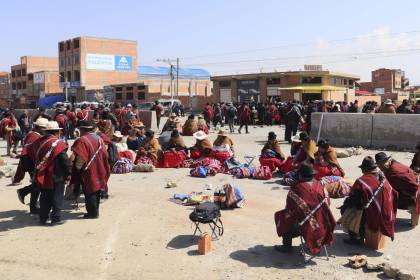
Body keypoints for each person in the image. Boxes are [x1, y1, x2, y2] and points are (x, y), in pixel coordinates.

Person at [274, 163, 336, 254]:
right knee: (305, 216)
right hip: (324, 223)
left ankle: (287, 246)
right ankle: (314, 242)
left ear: (300, 175)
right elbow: (328, 204)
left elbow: (290, 209)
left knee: (283, 217)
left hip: (305, 226)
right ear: (313, 175)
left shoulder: (296, 188)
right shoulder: (321, 186)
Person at [339, 156, 398, 245]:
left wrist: (345, 204)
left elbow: (354, 201)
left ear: (365, 169)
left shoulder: (362, 181)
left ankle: (356, 237)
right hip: (387, 213)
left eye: (362, 169)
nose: (362, 171)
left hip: (374, 215)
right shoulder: (383, 178)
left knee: (346, 210)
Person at [32, 121, 72, 225]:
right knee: (57, 197)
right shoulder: (58, 144)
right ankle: (55, 219)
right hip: (56, 175)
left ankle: (43, 218)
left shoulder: (38, 142)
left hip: (42, 174)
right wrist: (69, 173)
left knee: (45, 197)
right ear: (56, 132)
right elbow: (64, 160)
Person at [71, 121, 110, 219]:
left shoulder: (82, 140)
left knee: (89, 191)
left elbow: (81, 157)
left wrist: (78, 168)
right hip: (100, 167)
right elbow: (105, 154)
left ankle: (92, 213)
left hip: (89, 169)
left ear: (82, 130)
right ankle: (95, 210)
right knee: (97, 190)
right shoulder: (100, 139)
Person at [14, 118, 49, 214]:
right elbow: (28, 152)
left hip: (34, 163)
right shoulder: (34, 136)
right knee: (38, 185)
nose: (46, 131)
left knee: (38, 184)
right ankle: (32, 206)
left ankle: (25, 193)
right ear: (38, 128)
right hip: (32, 164)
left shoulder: (34, 135)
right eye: (44, 128)